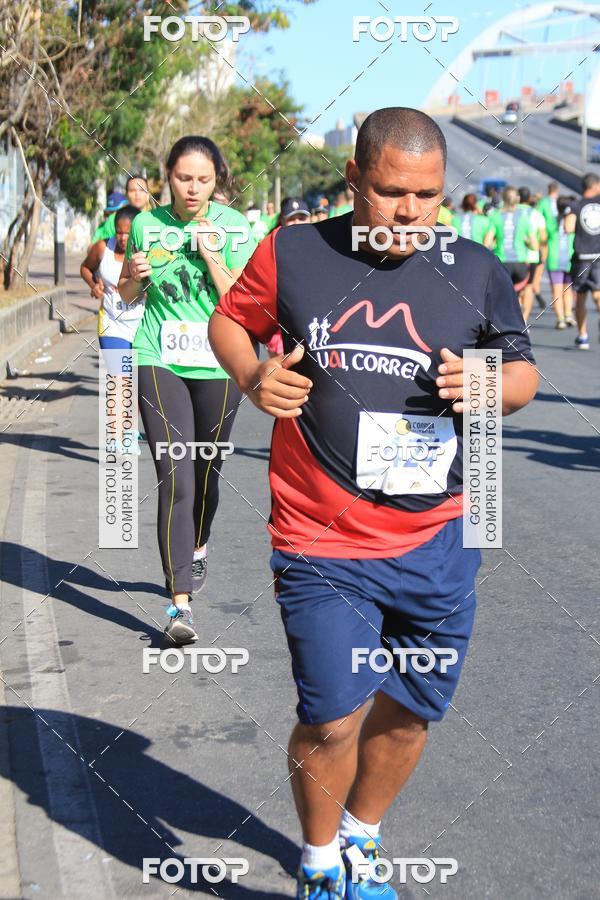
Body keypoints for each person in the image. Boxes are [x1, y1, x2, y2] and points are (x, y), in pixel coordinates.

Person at [209, 107, 538, 900]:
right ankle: (319, 864)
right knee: (331, 716)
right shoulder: (295, 252)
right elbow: (229, 323)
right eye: (391, 193)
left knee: (416, 707)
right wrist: (254, 378)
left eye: (426, 196)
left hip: (439, 536)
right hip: (321, 535)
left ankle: (361, 836)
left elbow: (522, 372)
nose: (410, 213)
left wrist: (490, 386)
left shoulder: (476, 266)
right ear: (354, 179)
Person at [118, 136, 256, 645]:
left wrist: (211, 253)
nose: (192, 188)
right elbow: (126, 295)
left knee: (206, 473)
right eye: (183, 178)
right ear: (167, 178)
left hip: (220, 365)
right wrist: (132, 277)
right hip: (159, 359)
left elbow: (240, 302)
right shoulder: (148, 225)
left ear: (216, 179)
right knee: (174, 475)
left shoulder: (236, 227)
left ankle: (198, 541)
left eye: (202, 179)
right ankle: (180, 606)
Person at [80, 204, 146, 452]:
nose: (122, 238)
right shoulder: (102, 248)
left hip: (140, 324)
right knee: (119, 378)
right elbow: (85, 268)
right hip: (112, 324)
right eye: (119, 232)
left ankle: (129, 430)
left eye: (128, 233)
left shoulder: (146, 252)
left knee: (136, 381)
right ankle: (114, 435)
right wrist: (94, 283)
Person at [266, 198, 311, 358]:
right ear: (282, 221)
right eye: (292, 218)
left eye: (302, 218)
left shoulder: (322, 248)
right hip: (279, 331)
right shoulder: (269, 248)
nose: (297, 222)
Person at [564, 172, 600, 349]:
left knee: (581, 297)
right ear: (594, 186)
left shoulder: (576, 205)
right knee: (598, 293)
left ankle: (582, 335)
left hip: (582, 257)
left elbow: (568, 227)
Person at [491, 186, 538, 317]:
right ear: (517, 199)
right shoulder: (524, 217)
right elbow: (534, 245)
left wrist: (497, 241)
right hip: (520, 262)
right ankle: (521, 322)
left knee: (502, 296)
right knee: (519, 293)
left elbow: (487, 242)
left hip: (502, 261)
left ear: (503, 199)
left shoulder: (496, 216)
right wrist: (525, 241)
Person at [92, 175, 152, 244]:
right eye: (132, 190)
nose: (137, 194)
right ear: (126, 194)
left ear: (148, 194)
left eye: (142, 190)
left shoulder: (156, 219)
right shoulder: (113, 220)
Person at [546, 196, 576, 329]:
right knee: (568, 289)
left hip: (554, 259)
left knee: (556, 291)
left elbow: (543, 238)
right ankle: (568, 314)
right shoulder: (573, 221)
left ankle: (560, 319)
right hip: (570, 258)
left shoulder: (551, 221)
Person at [518, 187, 548, 313]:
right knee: (529, 287)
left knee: (516, 288)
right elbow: (543, 237)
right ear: (529, 198)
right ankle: (524, 320)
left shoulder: (510, 212)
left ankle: (516, 318)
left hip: (515, 256)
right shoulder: (536, 214)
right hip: (532, 256)